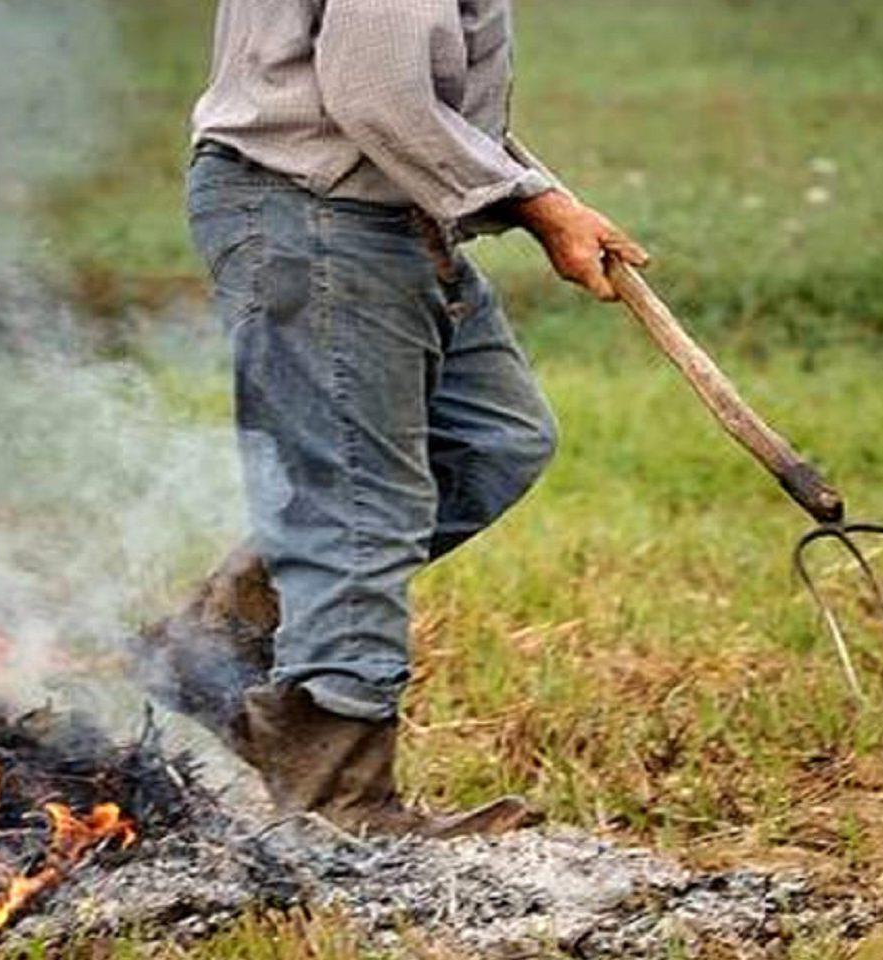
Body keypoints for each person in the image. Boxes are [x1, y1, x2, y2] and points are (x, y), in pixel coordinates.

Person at [140, 0, 649, 838]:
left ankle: (214, 644)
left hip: (390, 210)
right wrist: (535, 207)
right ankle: (339, 804)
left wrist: (526, 188)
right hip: (317, 207)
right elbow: (377, 93)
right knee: (358, 507)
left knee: (492, 440)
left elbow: (407, 85)